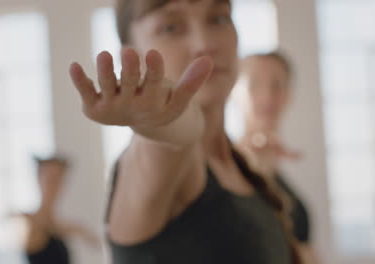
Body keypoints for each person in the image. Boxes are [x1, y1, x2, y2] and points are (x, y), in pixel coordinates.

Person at [69, 0, 302, 263]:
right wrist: (156, 119)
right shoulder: (155, 159)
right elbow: (178, 133)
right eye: (171, 27)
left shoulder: (237, 164)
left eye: (218, 19)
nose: (204, 44)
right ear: (131, 52)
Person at [235, 52, 321, 264]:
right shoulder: (225, 168)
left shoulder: (279, 174)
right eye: (254, 84)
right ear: (233, 92)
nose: (267, 96)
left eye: (277, 85)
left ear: (288, 96)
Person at [19, 156, 98, 264]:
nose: (55, 186)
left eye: (59, 179)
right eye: (50, 179)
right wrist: (74, 229)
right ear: (39, 179)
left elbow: (96, 243)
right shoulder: (29, 222)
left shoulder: (60, 225)